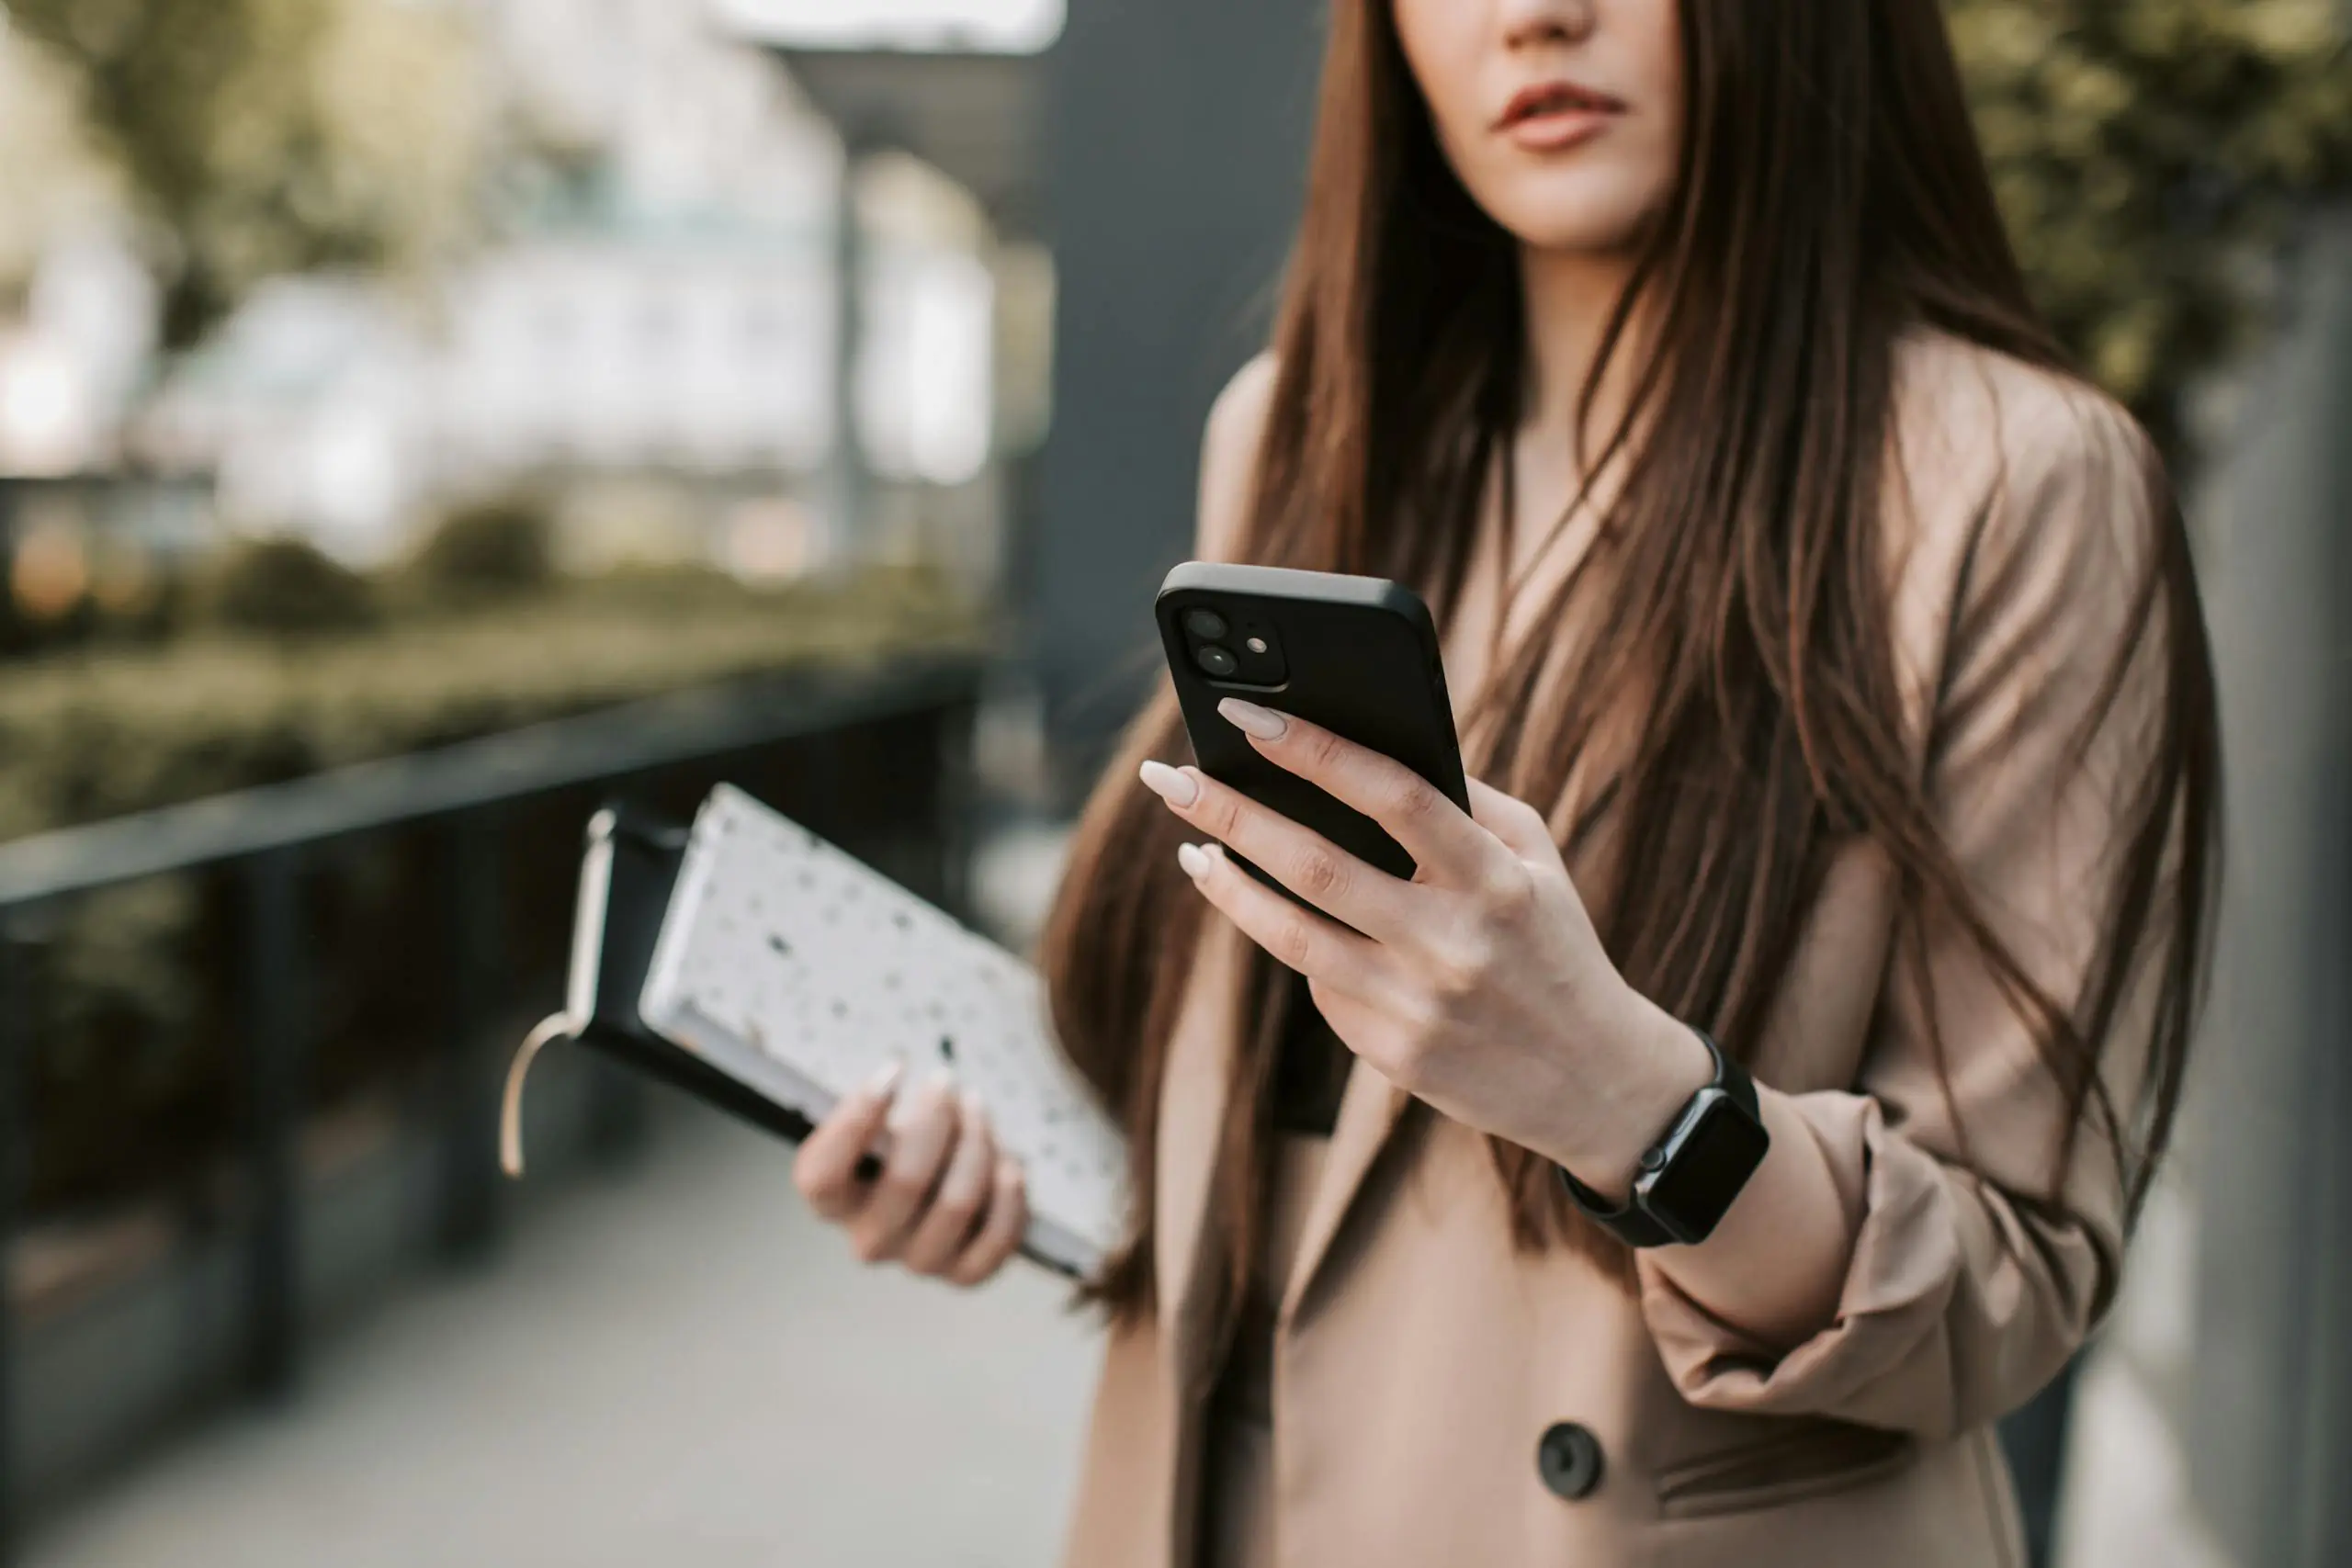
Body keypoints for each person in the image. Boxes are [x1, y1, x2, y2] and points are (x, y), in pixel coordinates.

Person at [790, 0, 2222, 1563]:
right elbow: (1278, 1119)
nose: (1536, 16)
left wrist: (1630, 1096)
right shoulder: (1298, 433)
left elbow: (2008, 1285)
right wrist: (999, 1159)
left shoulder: (2010, 483)